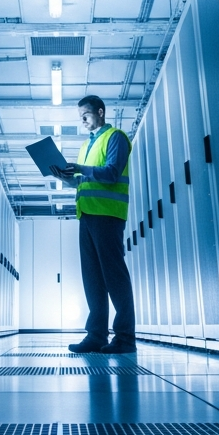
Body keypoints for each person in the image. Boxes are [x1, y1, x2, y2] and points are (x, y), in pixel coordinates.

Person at [51, 95, 136, 354]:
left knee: (114, 277)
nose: (83, 120)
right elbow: (82, 181)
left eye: (86, 115)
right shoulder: (86, 145)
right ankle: (96, 335)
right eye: (81, 117)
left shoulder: (116, 137)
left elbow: (111, 173)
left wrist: (79, 167)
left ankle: (124, 338)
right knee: (93, 279)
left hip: (108, 215)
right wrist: (64, 177)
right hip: (87, 215)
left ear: (100, 112)